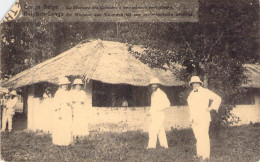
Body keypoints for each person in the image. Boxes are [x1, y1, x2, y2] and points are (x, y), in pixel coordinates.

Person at [187, 76, 222, 160]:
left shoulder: (205, 92)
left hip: (203, 117)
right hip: (194, 118)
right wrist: (190, 119)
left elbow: (218, 98)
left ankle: (206, 156)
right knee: (198, 136)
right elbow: (191, 108)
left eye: (196, 83)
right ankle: (199, 154)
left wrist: (211, 108)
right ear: (191, 84)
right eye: (193, 83)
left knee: (204, 136)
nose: (195, 84)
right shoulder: (191, 94)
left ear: (200, 83)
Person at [147, 77, 170, 149]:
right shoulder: (153, 94)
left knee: (152, 129)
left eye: (155, 84)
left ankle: (151, 146)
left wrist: (159, 109)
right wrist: (150, 111)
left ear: (158, 85)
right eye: (152, 85)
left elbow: (167, 104)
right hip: (154, 115)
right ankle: (164, 146)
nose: (153, 86)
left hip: (159, 115)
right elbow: (153, 105)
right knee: (160, 130)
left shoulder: (161, 93)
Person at [52, 77, 73, 146]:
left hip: (68, 110)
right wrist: (58, 113)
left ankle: (67, 142)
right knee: (61, 125)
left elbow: (71, 102)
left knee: (67, 125)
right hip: (61, 110)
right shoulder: (58, 93)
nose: (65, 86)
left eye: (66, 84)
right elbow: (56, 103)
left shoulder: (69, 93)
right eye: (64, 84)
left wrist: (70, 104)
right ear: (61, 85)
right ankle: (60, 142)